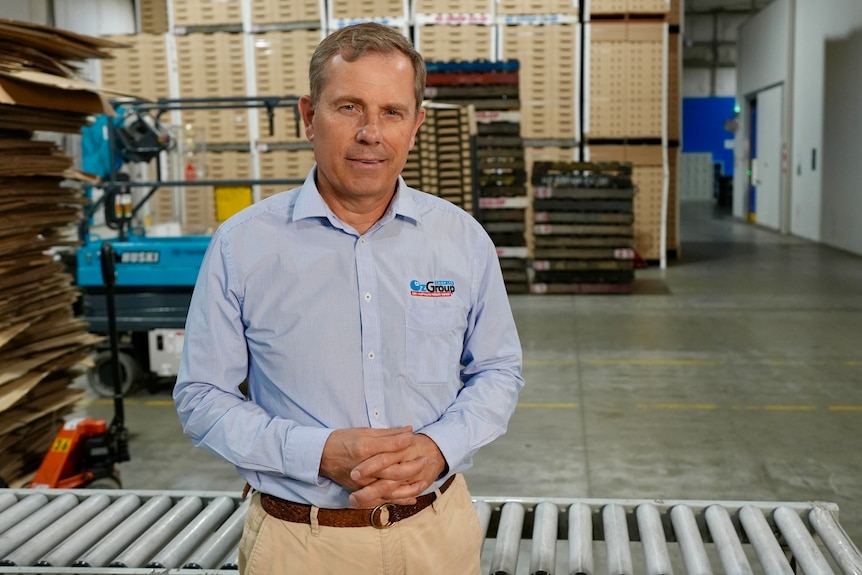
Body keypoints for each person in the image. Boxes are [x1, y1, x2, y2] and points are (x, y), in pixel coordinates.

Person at [173, 21, 524, 575]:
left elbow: (499, 370)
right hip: (300, 544)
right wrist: (316, 453)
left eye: (392, 111)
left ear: (416, 125)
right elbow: (200, 395)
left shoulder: (460, 240)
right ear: (309, 116)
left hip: (437, 536)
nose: (371, 132)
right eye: (349, 108)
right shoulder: (244, 246)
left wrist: (437, 447)